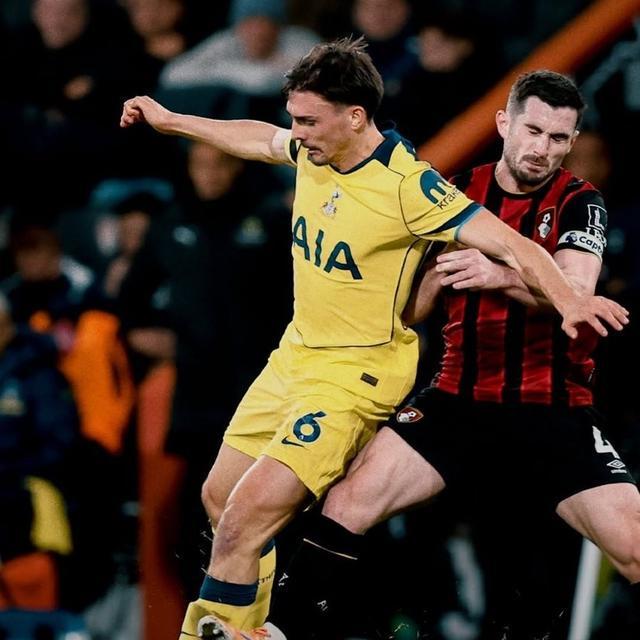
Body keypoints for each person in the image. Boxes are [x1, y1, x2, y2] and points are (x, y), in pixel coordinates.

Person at [120, 43, 629, 640]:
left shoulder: (416, 188)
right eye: (295, 118)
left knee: (243, 521)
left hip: (366, 377)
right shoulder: (320, 151)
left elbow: (517, 248)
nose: (296, 132)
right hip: (310, 362)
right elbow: (259, 139)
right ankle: (259, 630)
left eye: (308, 120)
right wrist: (172, 120)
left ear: (354, 116)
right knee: (223, 500)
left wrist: (570, 299)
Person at [264, 70, 640, 639]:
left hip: (550, 406)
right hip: (457, 398)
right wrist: (431, 279)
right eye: (533, 131)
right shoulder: (452, 192)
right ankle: (276, 632)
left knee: (632, 548)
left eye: (558, 138)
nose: (542, 148)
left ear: (571, 142)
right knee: (348, 501)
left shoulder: (580, 201)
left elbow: (576, 291)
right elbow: (413, 311)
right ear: (504, 123)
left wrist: (497, 273)